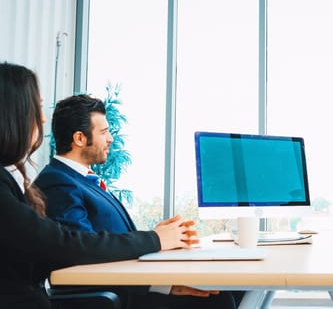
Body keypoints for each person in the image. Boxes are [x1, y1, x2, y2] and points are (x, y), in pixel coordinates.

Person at [0, 62, 199, 309]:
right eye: (36, 106)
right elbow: (71, 248)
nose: (42, 117)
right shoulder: (54, 183)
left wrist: (154, 245)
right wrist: (154, 240)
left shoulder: (28, 182)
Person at [33, 94, 237, 309]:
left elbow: (107, 241)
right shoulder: (58, 183)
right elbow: (83, 252)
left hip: (130, 288)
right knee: (218, 299)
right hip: (117, 297)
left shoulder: (81, 179)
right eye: (104, 132)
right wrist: (155, 242)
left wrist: (158, 239)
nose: (110, 138)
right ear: (80, 139)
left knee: (228, 291)